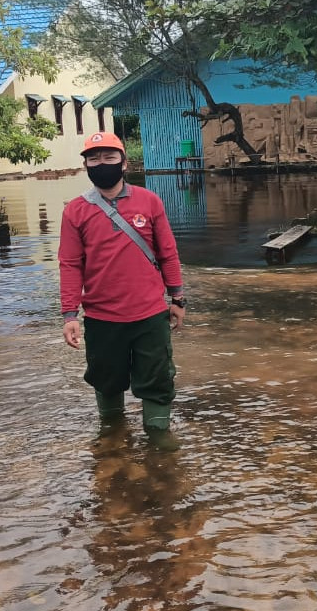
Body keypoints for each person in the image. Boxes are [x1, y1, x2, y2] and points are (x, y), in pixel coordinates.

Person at [59, 132, 187, 450]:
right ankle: (113, 435)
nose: (101, 164)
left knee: (157, 378)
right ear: (86, 165)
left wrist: (178, 298)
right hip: (102, 317)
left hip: (150, 314)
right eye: (94, 159)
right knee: (106, 379)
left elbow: (168, 252)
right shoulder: (75, 211)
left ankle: (159, 435)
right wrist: (69, 314)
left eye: (109, 157)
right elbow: (70, 264)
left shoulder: (149, 201)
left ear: (124, 162)